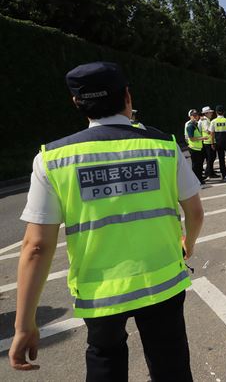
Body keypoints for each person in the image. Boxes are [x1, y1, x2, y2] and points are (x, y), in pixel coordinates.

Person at [9, 62, 204, 381]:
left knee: (105, 357)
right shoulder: (164, 146)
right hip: (163, 282)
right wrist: (187, 245)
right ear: (127, 96)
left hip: (99, 291)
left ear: (76, 103)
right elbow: (195, 213)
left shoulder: (52, 159)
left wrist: (24, 323)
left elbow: (36, 247)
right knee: (170, 361)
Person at [185, 109, 208, 185]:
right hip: (193, 148)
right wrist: (202, 138)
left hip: (198, 148)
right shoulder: (190, 126)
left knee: (199, 165)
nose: (195, 117)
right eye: (193, 115)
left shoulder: (195, 124)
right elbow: (191, 138)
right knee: (196, 166)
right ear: (190, 116)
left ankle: (199, 178)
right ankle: (196, 181)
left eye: (196, 115)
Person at [200, 106, 219, 178]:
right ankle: (209, 173)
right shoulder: (205, 120)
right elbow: (207, 130)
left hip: (208, 141)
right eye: (210, 112)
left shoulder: (206, 120)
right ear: (206, 113)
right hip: (208, 142)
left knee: (211, 157)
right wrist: (214, 131)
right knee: (211, 157)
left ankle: (210, 171)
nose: (211, 113)